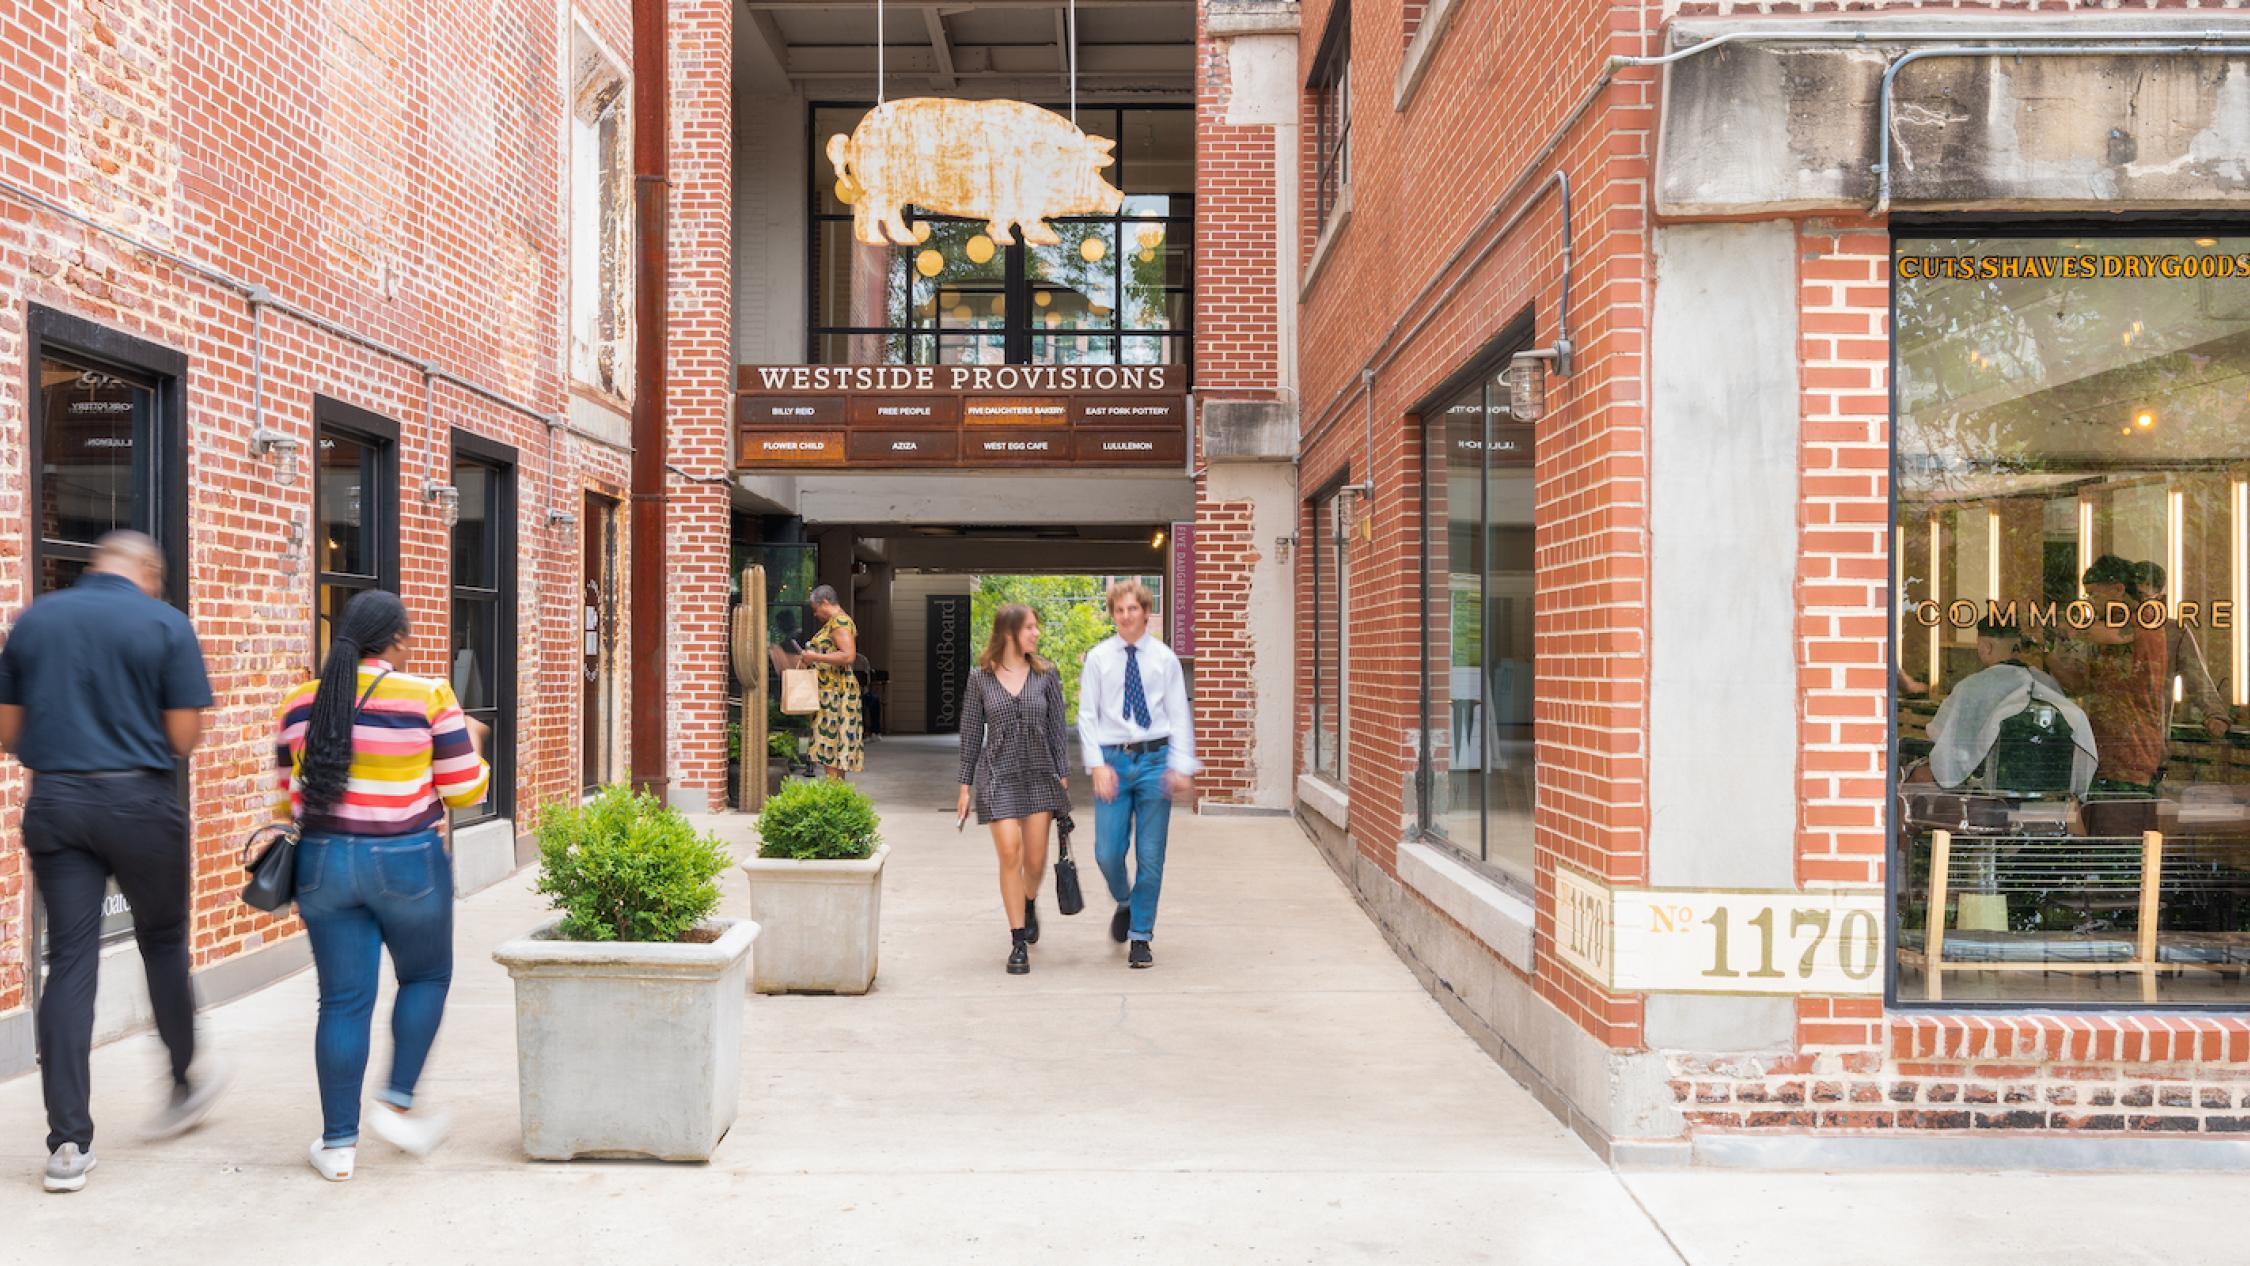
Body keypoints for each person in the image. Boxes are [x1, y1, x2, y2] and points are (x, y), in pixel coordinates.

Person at [0, 532, 227, 1193]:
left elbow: (7, 731)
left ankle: (68, 1143)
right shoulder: (165, 623)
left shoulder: (32, 621)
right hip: (139, 801)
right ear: (147, 571)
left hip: (58, 801)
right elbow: (185, 737)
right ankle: (184, 1083)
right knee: (162, 942)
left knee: (69, 960)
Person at [273, 590, 490, 1182]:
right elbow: (466, 791)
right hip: (406, 863)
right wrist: (474, 739)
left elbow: (286, 798)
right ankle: (395, 1101)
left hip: (321, 863)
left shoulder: (298, 703)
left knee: (343, 1001)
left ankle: (338, 1144)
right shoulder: (428, 696)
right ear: (396, 641)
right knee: (424, 977)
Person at [1077, 580, 1199, 969]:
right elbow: (1087, 716)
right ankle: (1125, 901)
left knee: (1150, 856)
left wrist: (1180, 766)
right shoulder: (1098, 659)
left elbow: (1179, 715)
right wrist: (1096, 765)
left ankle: (1141, 935)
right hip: (1113, 761)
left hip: (1154, 760)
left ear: (1146, 612)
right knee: (1107, 852)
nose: (1126, 616)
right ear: (1112, 615)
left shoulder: (1164, 660)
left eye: (1132, 609)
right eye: (1118, 610)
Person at [956, 604, 1072, 975]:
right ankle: (1017, 939)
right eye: (1030, 628)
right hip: (998, 776)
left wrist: (1063, 774)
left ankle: (1029, 899)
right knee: (1011, 853)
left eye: (1036, 627)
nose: (1036, 634)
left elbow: (1057, 729)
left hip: (1039, 776)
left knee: (1035, 863)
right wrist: (964, 786)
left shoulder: (1046, 675)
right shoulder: (981, 679)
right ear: (1009, 633)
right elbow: (972, 732)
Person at [1910, 621, 2096, 795]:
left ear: (1985, 648)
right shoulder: (2046, 684)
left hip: (1989, 787)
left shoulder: (1971, 687)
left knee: (1916, 776)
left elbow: (1942, 736)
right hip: (2050, 788)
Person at [2049, 555, 2169, 791]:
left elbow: (2111, 634)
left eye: (2094, 594)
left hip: (2134, 756)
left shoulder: (2146, 619)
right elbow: (2080, 685)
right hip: (2101, 754)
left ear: (2117, 589)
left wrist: (2064, 626)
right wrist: (2046, 654)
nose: (2090, 602)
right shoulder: (2104, 634)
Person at [2132, 561, 2232, 740]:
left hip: (2150, 738)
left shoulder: (2173, 631)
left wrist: (2216, 715)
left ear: (2158, 596)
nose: (2136, 602)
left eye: (2141, 595)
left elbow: (2198, 679)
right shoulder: (2106, 629)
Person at [797, 585, 864, 779]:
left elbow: (848, 655)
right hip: (831, 692)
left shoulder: (839, 622)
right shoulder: (836, 622)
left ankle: (833, 796)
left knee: (831, 748)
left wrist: (814, 657)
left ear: (825, 602)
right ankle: (836, 796)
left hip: (836, 693)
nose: (815, 614)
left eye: (815, 608)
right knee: (832, 751)